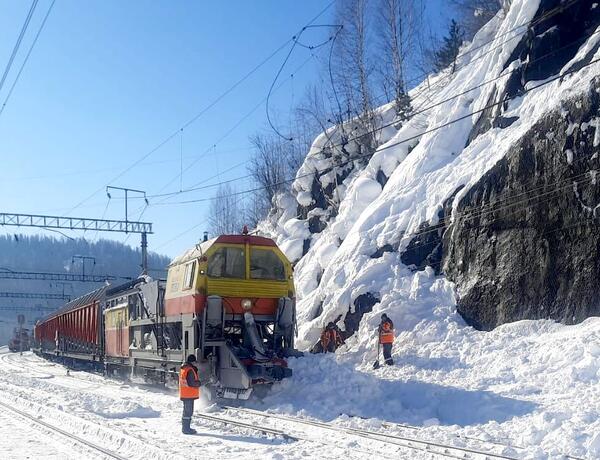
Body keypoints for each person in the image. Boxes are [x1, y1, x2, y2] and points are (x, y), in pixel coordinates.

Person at [179, 354, 201, 435]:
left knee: (187, 412)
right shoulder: (190, 370)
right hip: (188, 394)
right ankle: (186, 429)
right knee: (188, 412)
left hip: (186, 394)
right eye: (195, 361)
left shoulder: (184, 368)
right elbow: (192, 383)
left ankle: (186, 428)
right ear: (192, 361)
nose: (196, 363)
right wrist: (199, 383)